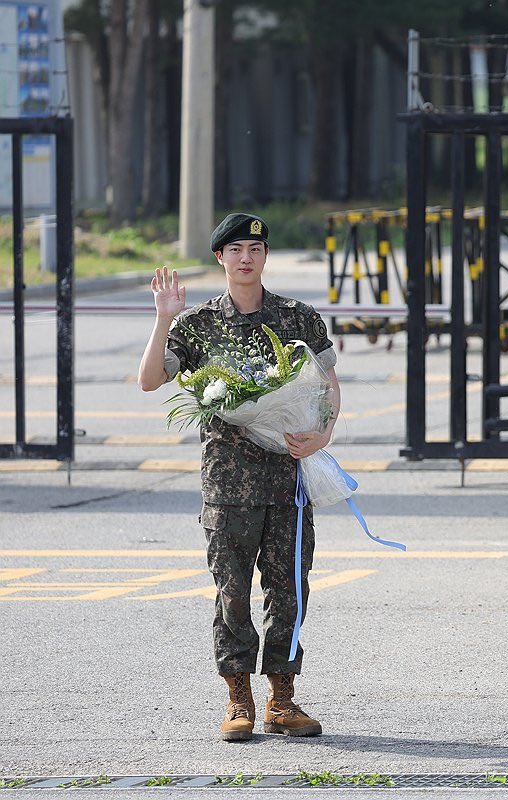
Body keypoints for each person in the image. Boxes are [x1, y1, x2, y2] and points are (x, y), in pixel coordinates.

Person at [137, 213, 338, 742]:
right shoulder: (198, 324)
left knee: (290, 589)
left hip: (288, 480)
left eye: (255, 247)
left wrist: (322, 435)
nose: (246, 257)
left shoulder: (298, 318)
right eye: (235, 249)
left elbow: (327, 386)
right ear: (220, 258)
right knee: (232, 593)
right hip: (228, 485)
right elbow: (149, 380)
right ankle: (238, 699)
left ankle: (283, 698)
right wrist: (163, 320)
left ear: (265, 256)